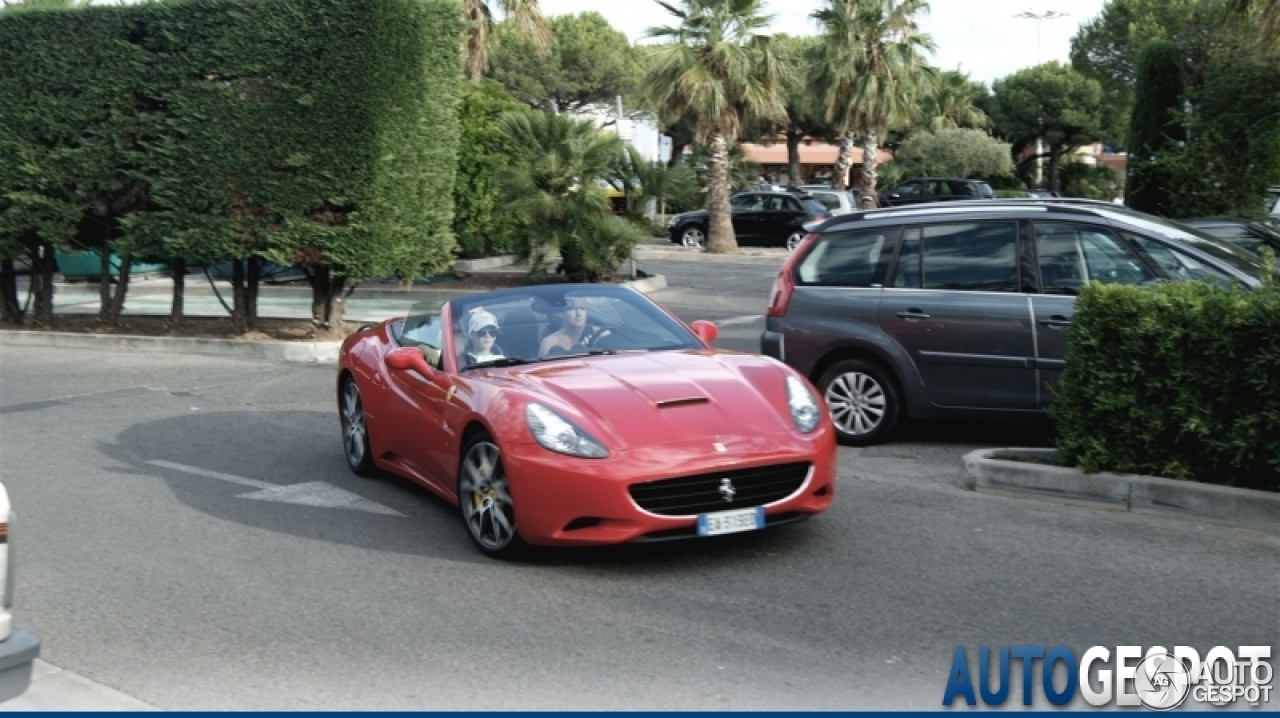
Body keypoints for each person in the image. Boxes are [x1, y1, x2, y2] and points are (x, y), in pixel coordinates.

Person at [538, 296, 610, 357]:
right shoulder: (549, 342)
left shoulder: (599, 334)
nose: (578, 314)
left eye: (582, 308)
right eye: (572, 309)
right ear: (561, 313)